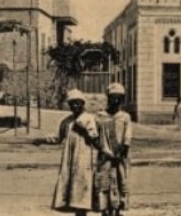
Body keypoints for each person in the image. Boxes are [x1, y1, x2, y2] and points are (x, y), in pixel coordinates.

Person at [34, 89, 99, 216]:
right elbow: (58, 138)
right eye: (72, 103)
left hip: (83, 158)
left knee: (82, 188)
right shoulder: (66, 121)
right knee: (71, 188)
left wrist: (84, 130)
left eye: (78, 103)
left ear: (82, 103)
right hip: (69, 160)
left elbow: (95, 138)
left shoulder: (88, 119)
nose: (75, 106)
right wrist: (42, 140)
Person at [96, 83, 133, 216]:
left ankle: (117, 210)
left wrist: (122, 151)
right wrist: (106, 151)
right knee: (105, 183)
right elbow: (97, 137)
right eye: (112, 97)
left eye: (118, 98)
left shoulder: (125, 117)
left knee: (120, 181)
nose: (115, 100)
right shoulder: (100, 116)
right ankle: (105, 210)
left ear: (122, 100)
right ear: (108, 98)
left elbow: (127, 137)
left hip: (121, 157)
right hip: (105, 157)